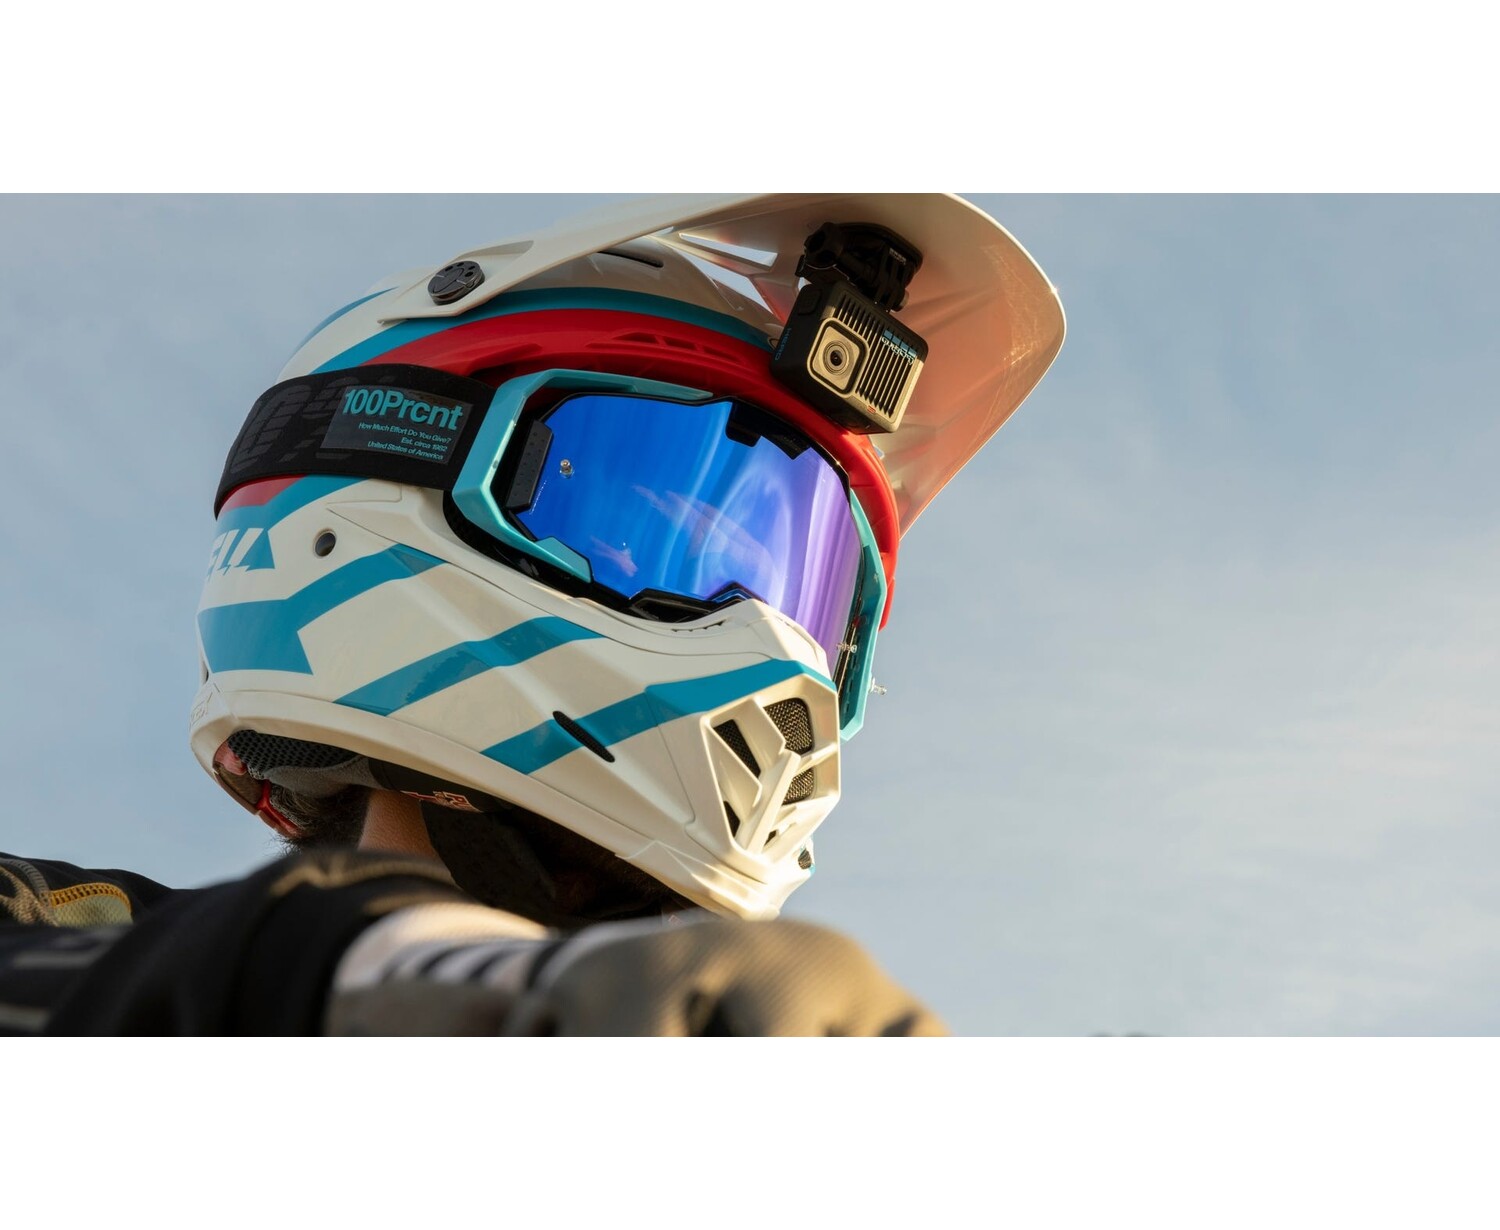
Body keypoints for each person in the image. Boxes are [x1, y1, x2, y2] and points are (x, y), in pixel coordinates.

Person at [0, 193, 1064, 1036]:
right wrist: (420, 976)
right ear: (385, 469)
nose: (767, 644)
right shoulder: (64, 932)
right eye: (648, 538)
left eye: (808, 594)